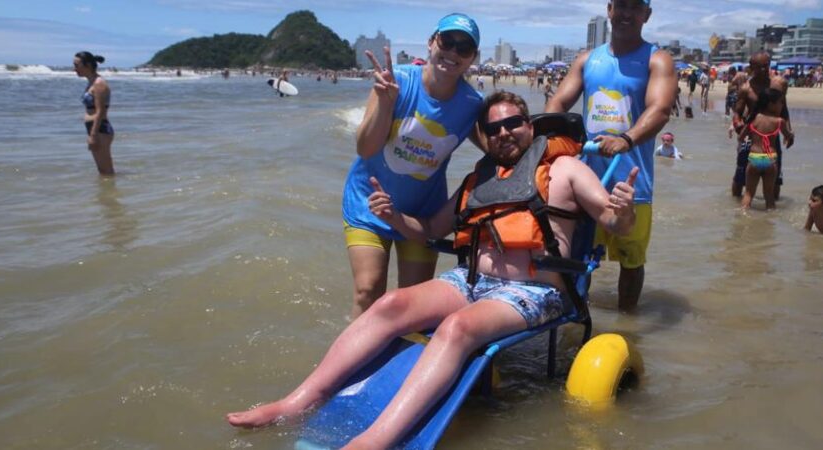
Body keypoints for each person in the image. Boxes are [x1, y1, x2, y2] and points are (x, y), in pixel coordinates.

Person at [227, 92, 639, 449]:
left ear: (529, 126)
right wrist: (395, 217)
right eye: (493, 129)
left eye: (513, 123)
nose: (503, 133)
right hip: (473, 282)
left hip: (535, 291)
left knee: (457, 329)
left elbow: (612, 220)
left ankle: (375, 440)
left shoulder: (566, 168)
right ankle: (297, 401)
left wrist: (621, 212)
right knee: (390, 303)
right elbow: (430, 231)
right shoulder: (478, 178)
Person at [342, 13, 484, 318]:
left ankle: (402, 360)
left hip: (422, 214)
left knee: (412, 306)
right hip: (368, 204)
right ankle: (358, 362)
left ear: (473, 58)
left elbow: (496, 147)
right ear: (432, 42)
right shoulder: (397, 82)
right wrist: (386, 101)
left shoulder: (472, 104)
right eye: (447, 42)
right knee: (368, 290)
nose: (453, 52)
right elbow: (365, 148)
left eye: (464, 48)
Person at [546, 0, 675, 311]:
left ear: (647, 15)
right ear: (609, 9)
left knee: (631, 262)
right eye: (621, 6)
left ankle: (626, 325)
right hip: (585, 181)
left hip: (633, 184)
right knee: (577, 259)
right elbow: (557, 104)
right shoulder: (587, 59)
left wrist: (626, 139)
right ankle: (575, 324)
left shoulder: (657, 60)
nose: (626, 14)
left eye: (635, 7)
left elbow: (660, 110)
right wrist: (556, 142)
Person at [731, 51, 793, 199]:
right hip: (751, 132)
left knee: (776, 173)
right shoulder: (746, 88)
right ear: (751, 67)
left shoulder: (779, 84)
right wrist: (738, 126)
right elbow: (737, 112)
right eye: (760, 67)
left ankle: (772, 207)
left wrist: (789, 131)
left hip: (771, 133)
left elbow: (784, 109)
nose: (765, 70)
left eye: (767, 66)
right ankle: (735, 205)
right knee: (741, 172)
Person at [738, 89, 791, 210]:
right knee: (769, 195)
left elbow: (741, 137)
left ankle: (743, 217)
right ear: (770, 104)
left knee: (749, 193)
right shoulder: (779, 121)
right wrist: (790, 136)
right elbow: (788, 136)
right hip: (770, 160)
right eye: (780, 103)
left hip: (754, 159)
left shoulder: (754, 118)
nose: (782, 105)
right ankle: (770, 223)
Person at [73, 51, 114, 175]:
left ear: (88, 65)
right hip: (95, 129)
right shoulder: (91, 83)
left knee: (106, 170)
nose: (74, 69)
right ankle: (107, 192)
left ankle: (111, 193)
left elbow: (101, 111)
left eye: (77, 65)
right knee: (102, 170)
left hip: (100, 130)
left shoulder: (99, 84)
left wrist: (93, 135)